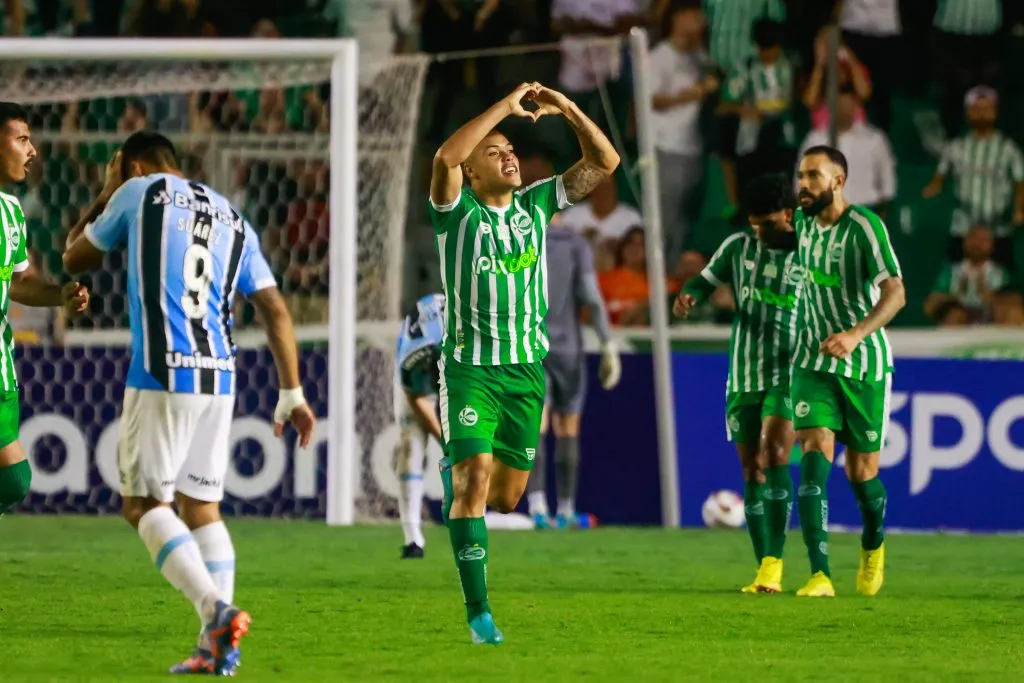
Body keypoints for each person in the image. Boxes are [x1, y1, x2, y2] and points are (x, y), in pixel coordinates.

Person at [63, 132, 317, 675]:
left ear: (134, 166)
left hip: (162, 370)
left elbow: (74, 256)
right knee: (201, 507)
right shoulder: (233, 216)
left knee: (143, 505)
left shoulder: (140, 191)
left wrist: (106, 192)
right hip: (219, 376)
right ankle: (215, 649)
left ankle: (215, 610)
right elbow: (274, 308)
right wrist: (291, 392)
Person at [429, 81, 619, 644]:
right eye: (494, 152)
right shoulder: (455, 213)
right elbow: (444, 158)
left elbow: (605, 162)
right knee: (474, 481)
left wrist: (569, 110)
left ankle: (458, 477)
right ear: (473, 172)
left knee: (507, 498)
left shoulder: (537, 205)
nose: (508, 155)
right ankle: (479, 614)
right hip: (470, 371)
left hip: (525, 374)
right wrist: (503, 109)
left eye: (511, 149)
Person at [673, 173, 800, 593]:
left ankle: (775, 561)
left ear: (788, 214)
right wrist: (690, 295)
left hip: (790, 372)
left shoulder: (809, 255)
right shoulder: (737, 247)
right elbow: (703, 282)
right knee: (751, 469)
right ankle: (765, 566)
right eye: (754, 223)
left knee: (775, 454)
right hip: (744, 374)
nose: (759, 231)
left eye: (767, 223)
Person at [791, 145, 905, 598]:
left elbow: (896, 293)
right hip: (812, 360)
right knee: (814, 454)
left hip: (863, 364)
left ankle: (873, 545)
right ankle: (819, 575)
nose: (804, 185)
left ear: (838, 181)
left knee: (861, 473)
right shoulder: (800, 223)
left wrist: (856, 334)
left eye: (813, 176)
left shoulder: (864, 227)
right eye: (801, 176)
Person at [0, 102, 90, 518]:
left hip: (3, 368)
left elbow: (19, 281)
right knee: (14, 478)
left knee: (12, 481)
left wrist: (60, 295)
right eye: (21, 139)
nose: (32, 150)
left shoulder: (10, 211)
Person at [526, 219, 620, 529]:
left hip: (528, 346)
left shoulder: (516, 237)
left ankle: (538, 508)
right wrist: (607, 342)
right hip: (567, 348)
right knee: (567, 425)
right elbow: (591, 296)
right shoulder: (575, 243)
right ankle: (566, 510)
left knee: (535, 422)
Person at [393, 292, 446, 558]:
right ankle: (412, 536)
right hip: (420, 383)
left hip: (462, 382)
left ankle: (472, 521)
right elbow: (415, 398)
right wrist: (444, 440)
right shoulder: (415, 352)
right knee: (411, 445)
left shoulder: (476, 339)